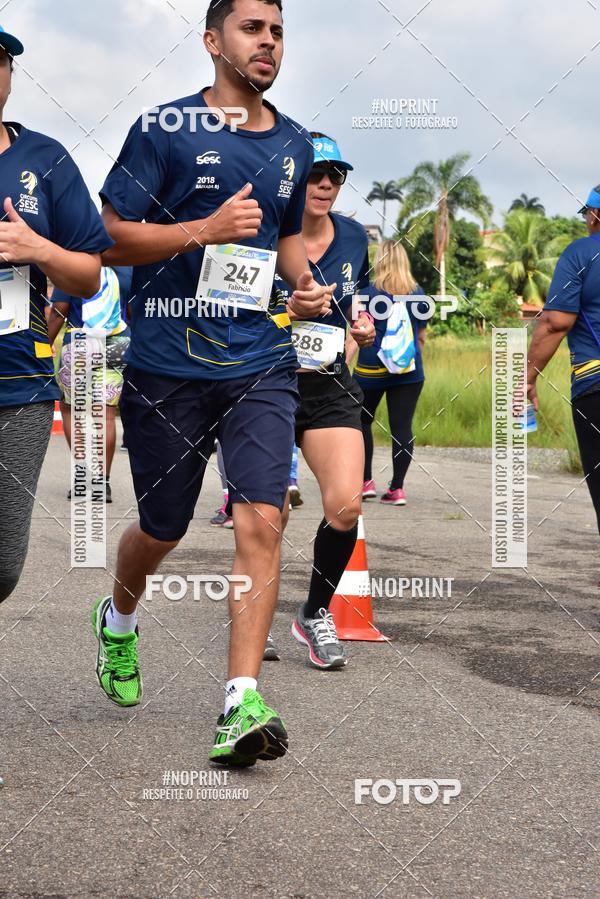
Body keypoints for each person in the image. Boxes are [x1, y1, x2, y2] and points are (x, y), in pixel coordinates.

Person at [94, 0, 333, 768]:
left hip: (259, 359)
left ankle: (240, 700)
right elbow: (107, 238)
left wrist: (304, 286)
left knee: (263, 517)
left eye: (278, 32)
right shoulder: (163, 130)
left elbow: (287, 239)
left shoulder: (295, 141)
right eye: (252, 29)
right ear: (212, 40)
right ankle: (120, 618)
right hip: (167, 362)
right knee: (161, 528)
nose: (268, 43)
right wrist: (200, 229)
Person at [0, 25, 110, 607]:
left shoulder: (45, 159)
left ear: (10, 78)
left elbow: (89, 275)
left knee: (3, 569)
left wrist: (36, 248)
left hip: (18, 385)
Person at [274, 132, 376, 669]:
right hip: (263, 382)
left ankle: (314, 613)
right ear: (293, 179)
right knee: (265, 514)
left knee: (345, 505)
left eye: (335, 175)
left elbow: (360, 305)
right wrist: (286, 311)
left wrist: (362, 328)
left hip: (330, 383)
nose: (325, 184)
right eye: (315, 174)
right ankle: (251, 613)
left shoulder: (356, 237)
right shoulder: (264, 232)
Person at [527, 185, 600, 534]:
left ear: (595, 215)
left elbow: (556, 321)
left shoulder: (581, 253)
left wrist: (528, 376)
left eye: (588, 213)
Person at [48, 265, 133, 503]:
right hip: (118, 342)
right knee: (105, 415)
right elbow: (132, 310)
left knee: (72, 410)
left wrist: (44, 347)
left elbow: (58, 312)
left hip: (79, 343)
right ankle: (102, 482)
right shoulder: (128, 266)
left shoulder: (70, 263)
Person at [354, 241, 428, 505]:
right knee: (402, 427)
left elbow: (356, 331)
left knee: (360, 421)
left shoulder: (366, 293)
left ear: (380, 261)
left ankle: (365, 482)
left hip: (370, 368)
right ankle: (397, 489)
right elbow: (421, 337)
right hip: (409, 370)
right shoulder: (419, 293)